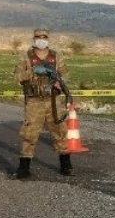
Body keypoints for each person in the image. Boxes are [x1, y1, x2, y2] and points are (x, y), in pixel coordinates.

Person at [11, 28, 71, 179]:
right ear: (34, 38)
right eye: (38, 37)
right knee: (29, 134)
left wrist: (58, 82)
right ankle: (24, 168)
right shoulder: (26, 57)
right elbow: (16, 77)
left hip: (53, 100)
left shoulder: (56, 56)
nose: (41, 39)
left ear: (48, 38)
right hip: (34, 101)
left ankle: (66, 165)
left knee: (60, 131)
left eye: (44, 37)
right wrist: (32, 72)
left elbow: (65, 74)